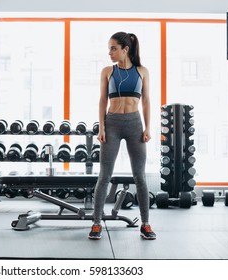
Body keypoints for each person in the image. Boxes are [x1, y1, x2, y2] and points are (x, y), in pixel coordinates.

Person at [88, 31, 156, 240]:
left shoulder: (142, 71)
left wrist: (147, 127)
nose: (110, 52)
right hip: (113, 124)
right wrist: (102, 127)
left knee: (140, 177)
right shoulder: (107, 71)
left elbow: (146, 100)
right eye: (109, 48)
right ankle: (97, 223)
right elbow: (102, 100)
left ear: (125, 50)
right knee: (104, 176)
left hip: (135, 124)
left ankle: (145, 223)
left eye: (113, 48)